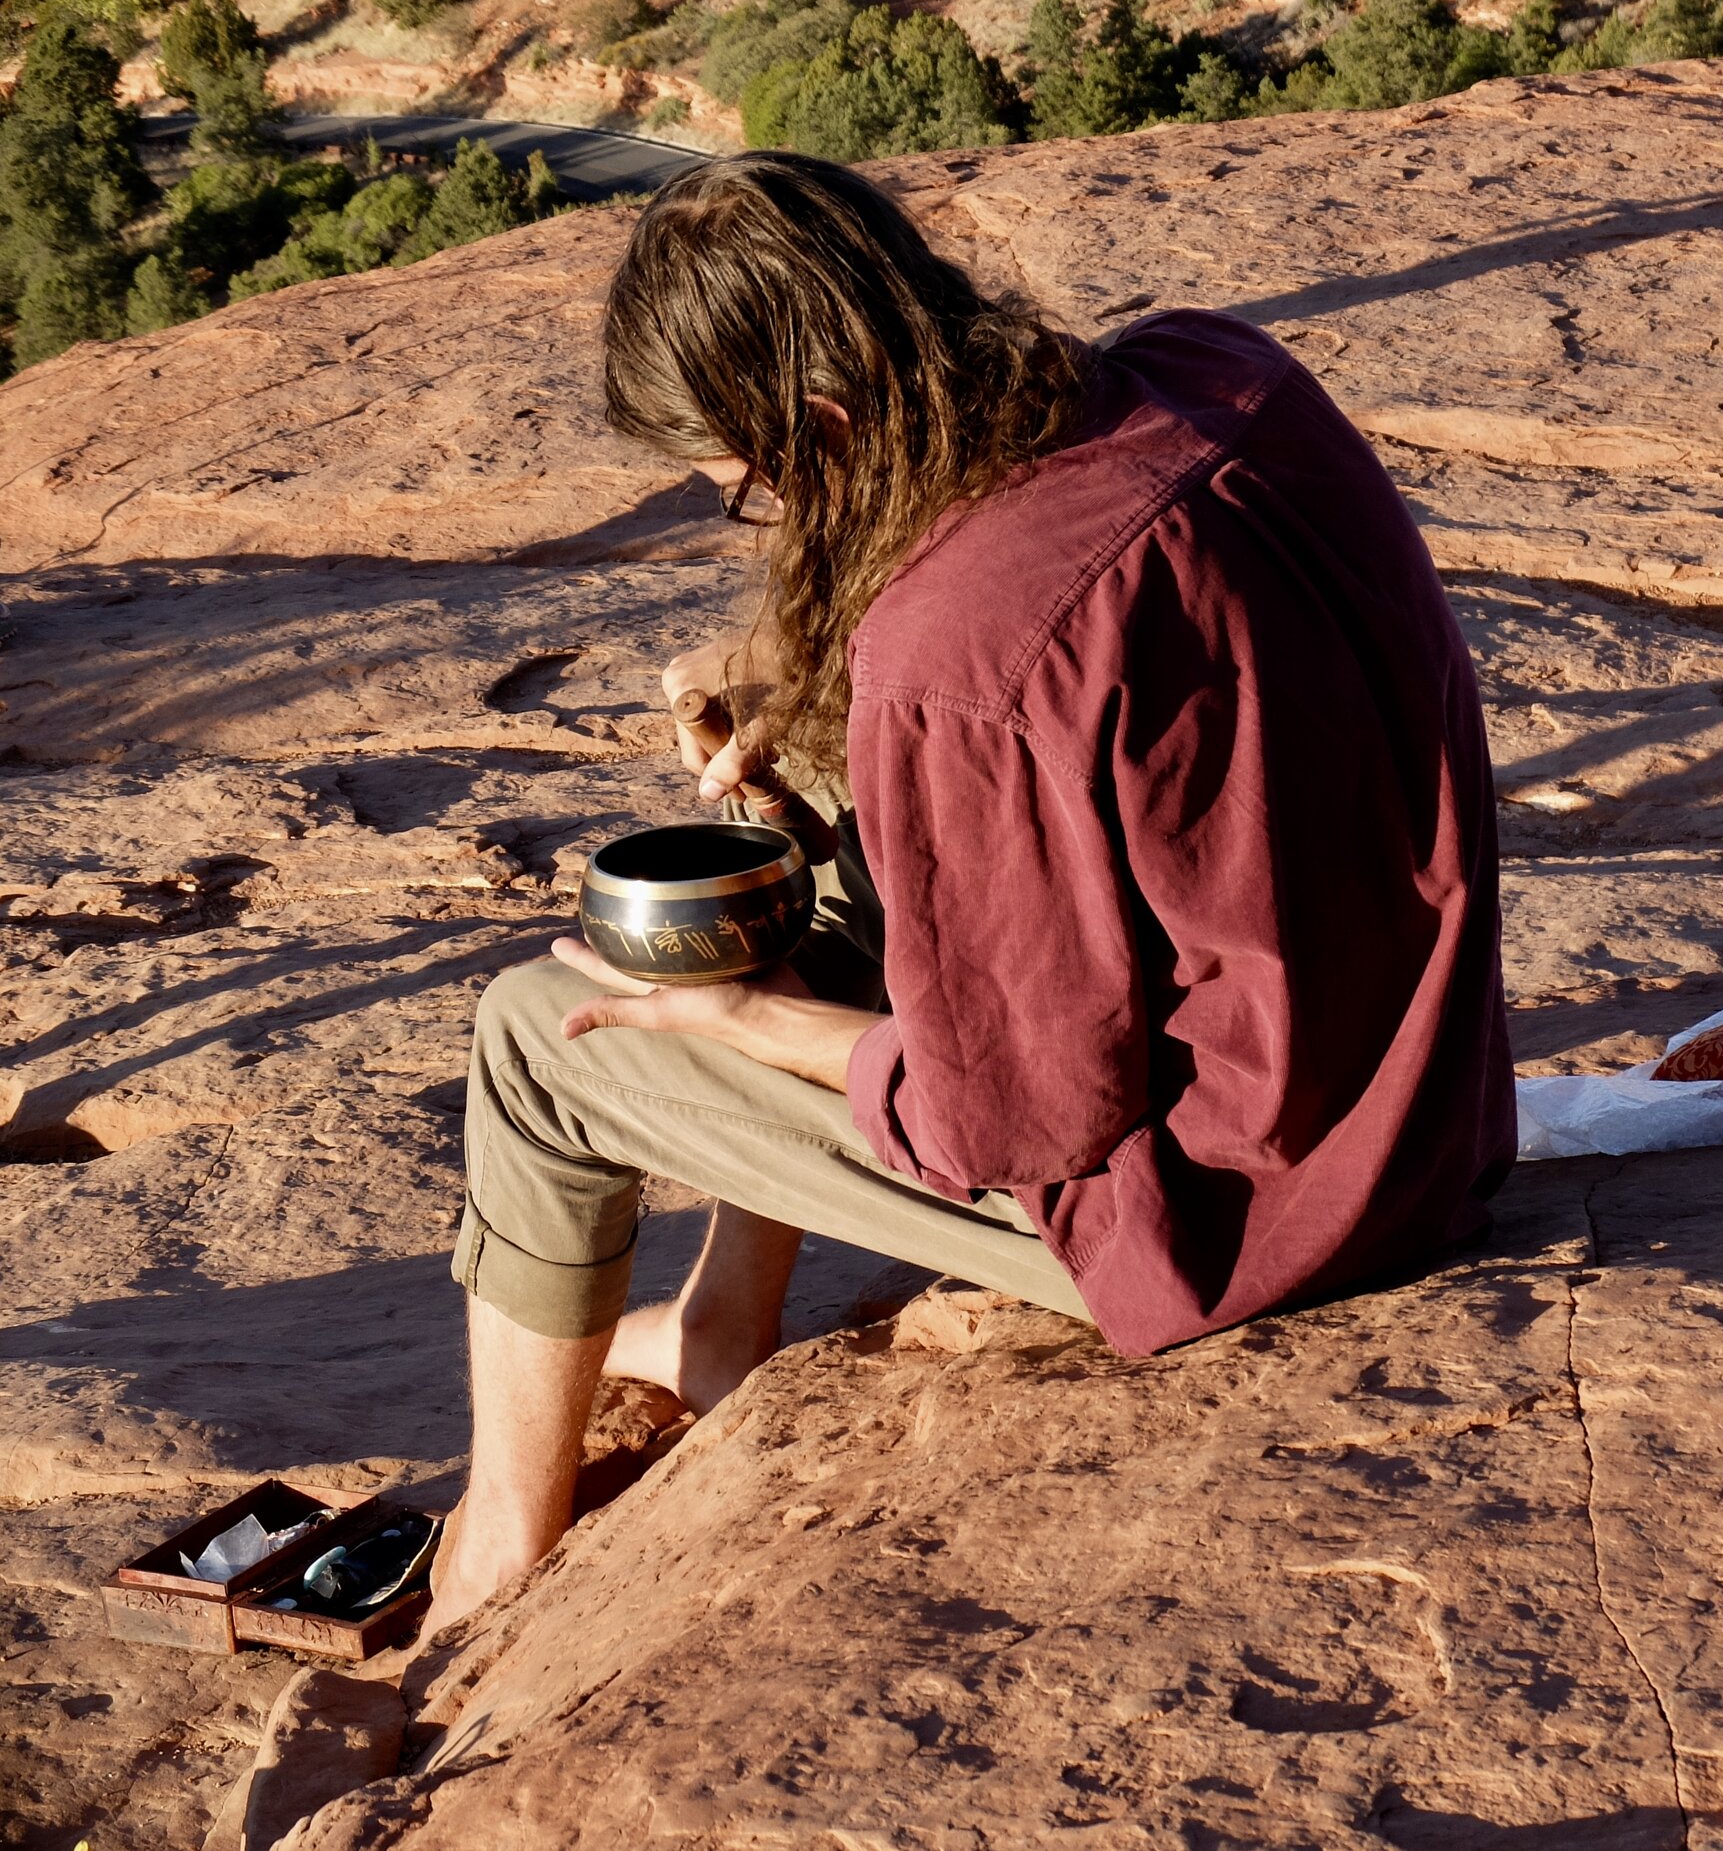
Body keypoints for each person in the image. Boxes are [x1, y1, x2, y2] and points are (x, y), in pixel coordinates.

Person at [421, 151, 1515, 1639]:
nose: (743, 506)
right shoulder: (1213, 370)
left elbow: (1015, 1119)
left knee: (535, 1041)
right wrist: (816, 724)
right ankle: (721, 1327)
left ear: (814, 423)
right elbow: (1118, 693)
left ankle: (500, 1543)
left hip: (1248, 1220)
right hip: (1418, 1092)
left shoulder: (955, 651)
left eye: (741, 481)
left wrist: (754, 1024)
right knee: (823, 851)